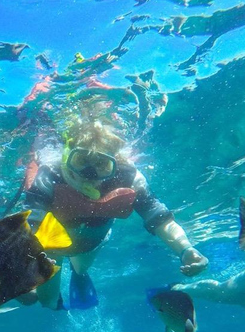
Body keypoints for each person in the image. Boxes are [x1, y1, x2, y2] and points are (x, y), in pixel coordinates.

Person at [23, 113, 209, 310]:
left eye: (102, 165)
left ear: (115, 163)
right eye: (81, 161)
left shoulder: (127, 177)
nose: (89, 174)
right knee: (46, 301)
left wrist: (186, 249)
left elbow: (159, 217)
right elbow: (31, 223)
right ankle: (56, 303)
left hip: (91, 242)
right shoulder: (50, 175)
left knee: (82, 267)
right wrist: (26, 268)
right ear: (67, 156)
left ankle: (78, 274)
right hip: (49, 248)